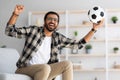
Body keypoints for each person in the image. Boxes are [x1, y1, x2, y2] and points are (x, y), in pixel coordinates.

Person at [5, 5, 104, 80]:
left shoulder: (57, 38)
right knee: (45, 68)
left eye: (55, 20)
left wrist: (94, 29)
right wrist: (15, 14)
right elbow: (9, 31)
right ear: (45, 21)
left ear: (57, 24)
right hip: (25, 69)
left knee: (67, 64)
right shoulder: (33, 31)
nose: (52, 21)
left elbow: (78, 45)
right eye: (49, 19)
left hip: (44, 71)